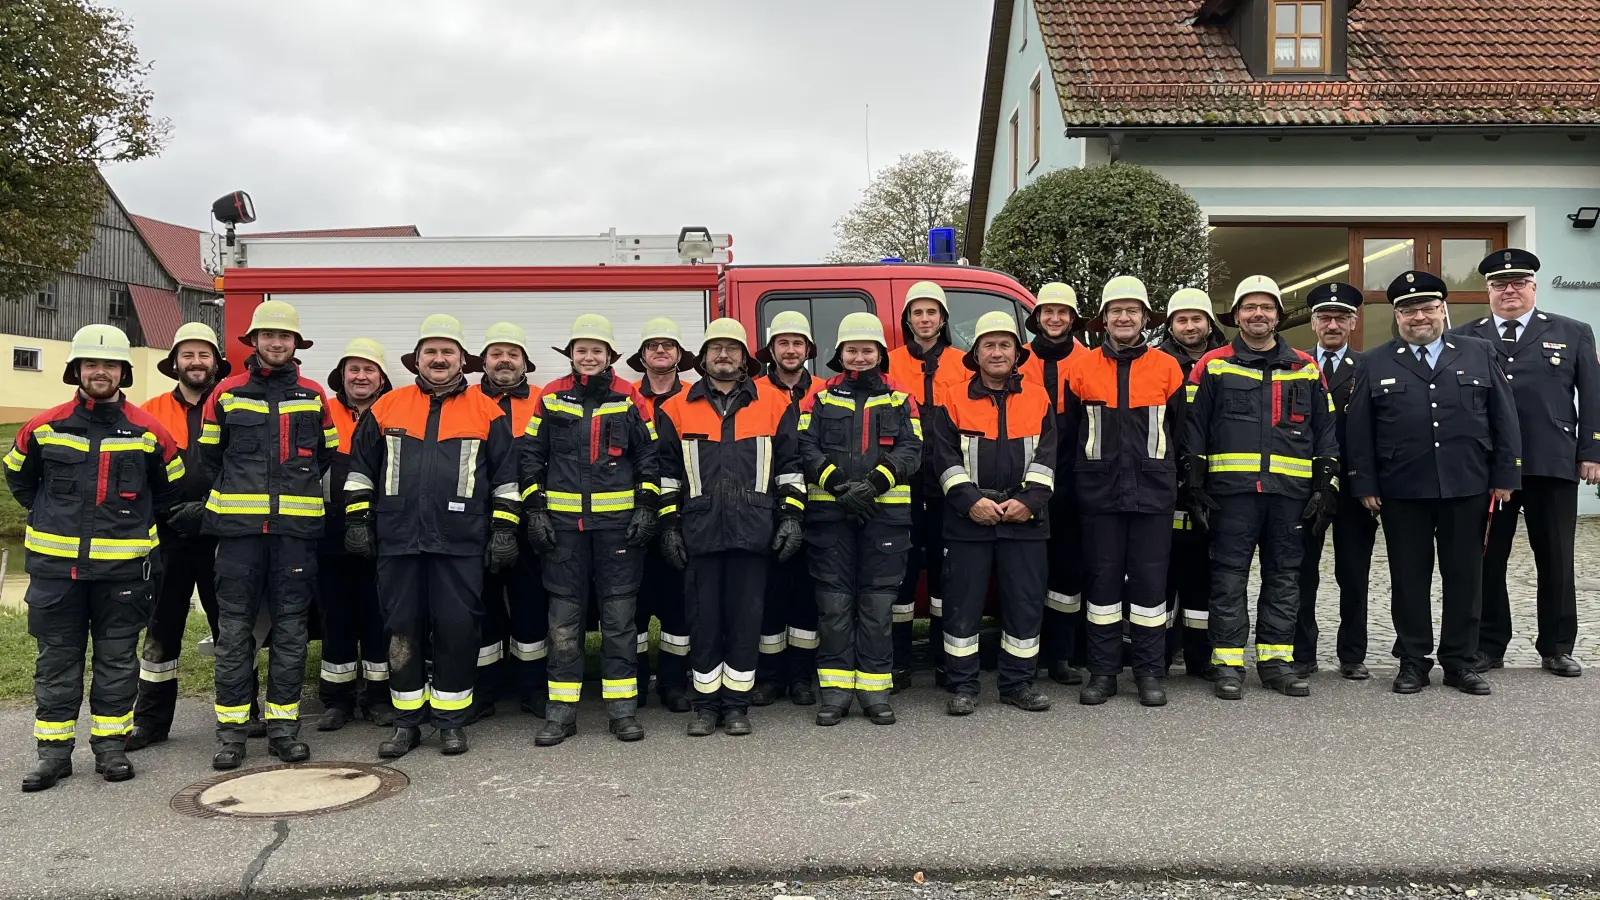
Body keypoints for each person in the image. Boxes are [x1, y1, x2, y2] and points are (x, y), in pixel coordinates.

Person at [5, 325, 182, 792]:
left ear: (123, 371)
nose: (100, 372)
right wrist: (52, 515)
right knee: (56, 662)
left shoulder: (148, 431)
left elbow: (170, 489)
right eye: (91, 364)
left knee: (117, 662)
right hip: (56, 572)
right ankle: (53, 755)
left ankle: (110, 748)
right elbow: (18, 479)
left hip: (122, 572)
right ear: (77, 370)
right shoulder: (44, 427)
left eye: (109, 365)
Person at [344, 316, 520, 757]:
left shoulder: (487, 410)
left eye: (448, 352)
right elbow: (360, 471)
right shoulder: (386, 407)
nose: (439, 359)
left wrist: (504, 529)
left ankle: (451, 720)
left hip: (461, 542)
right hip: (399, 539)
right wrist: (357, 521)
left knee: (457, 630)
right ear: (416, 360)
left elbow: (505, 481)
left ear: (463, 359)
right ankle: (407, 723)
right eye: (430, 352)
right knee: (401, 630)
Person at [1347, 271, 1520, 694]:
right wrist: (1364, 484)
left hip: (1468, 484)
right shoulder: (1374, 361)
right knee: (1409, 577)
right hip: (1402, 488)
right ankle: (1413, 660)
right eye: (1408, 310)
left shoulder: (1480, 352)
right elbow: (1359, 431)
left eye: (1427, 308)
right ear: (1397, 315)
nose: (1418, 317)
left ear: (1443, 309)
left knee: (1465, 576)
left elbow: (1504, 417)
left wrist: (1505, 475)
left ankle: (1460, 661)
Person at [1181, 276, 1337, 700]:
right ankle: (1228, 662)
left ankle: (1275, 662)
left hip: (1291, 495)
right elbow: (1193, 430)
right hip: (1232, 494)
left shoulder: (1305, 366)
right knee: (1229, 578)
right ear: (1236, 315)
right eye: (1249, 307)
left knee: (1285, 577)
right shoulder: (1213, 364)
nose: (1258, 314)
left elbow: (1326, 431)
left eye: (1266, 307)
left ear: (1278, 316)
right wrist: (1194, 484)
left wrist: (1325, 485)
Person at [200, 300, 338, 769]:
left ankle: (283, 729)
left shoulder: (314, 396)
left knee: (291, 633)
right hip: (238, 535)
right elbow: (210, 458)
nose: (276, 343)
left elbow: (325, 457)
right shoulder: (227, 393)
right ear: (253, 341)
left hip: (295, 534)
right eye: (268, 336)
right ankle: (232, 734)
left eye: (285, 337)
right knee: (235, 633)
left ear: (295, 344)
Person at [1450, 249, 1600, 678]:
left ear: (1534, 287)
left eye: (1518, 283)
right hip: (1489, 468)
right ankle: (1490, 644)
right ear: (1488, 291)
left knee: (1556, 558)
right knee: (1487, 559)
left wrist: (1592, 450)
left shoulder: (1572, 332)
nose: (1509, 290)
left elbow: (1592, 395)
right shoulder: (1465, 337)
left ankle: (1557, 647)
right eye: (1499, 284)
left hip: (1550, 461)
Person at [654, 318, 804, 736]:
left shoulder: (775, 404)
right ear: (702, 359)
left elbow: (790, 470)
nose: (724, 355)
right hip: (699, 532)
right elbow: (666, 476)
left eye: (732, 349)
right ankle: (706, 706)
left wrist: (791, 517)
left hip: (754, 530)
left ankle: (736, 705)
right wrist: (668, 526)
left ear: (745, 358)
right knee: (703, 621)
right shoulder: (675, 408)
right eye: (716, 349)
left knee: (744, 620)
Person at [522, 314, 660, 746]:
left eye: (596, 350)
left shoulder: (629, 398)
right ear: (571, 355)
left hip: (619, 531)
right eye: (581, 349)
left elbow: (649, 458)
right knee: (563, 621)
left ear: (609, 356)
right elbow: (530, 456)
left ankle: (622, 711)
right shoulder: (551, 397)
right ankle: (561, 713)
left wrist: (648, 505)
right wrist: (535, 510)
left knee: (619, 621)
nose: (588, 357)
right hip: (564, 530)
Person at [1062, 278, 1187, 707]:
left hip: (1154, 492)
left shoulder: (1168, 367)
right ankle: (1103, 672)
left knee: (1151, 586)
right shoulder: (1082, 367)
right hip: (1099, 492)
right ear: (1104, 320)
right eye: (1116, 310)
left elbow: (1181, 433)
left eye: (1132, 310)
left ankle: (1150, 673)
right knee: (1102, 584)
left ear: (1145, 318)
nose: (1124, 317)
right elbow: (1068, 436)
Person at [797, 313, 922, 726]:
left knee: (876, 607)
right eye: (853, 350)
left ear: (880, 355)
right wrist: (838, 486)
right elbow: (805, 446)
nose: (860, 356)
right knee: (833, 607)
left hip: (885, 519)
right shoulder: (819, 398)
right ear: (840, 355)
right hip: (831, 518)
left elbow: (912, 449)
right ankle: (834, 694)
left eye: (867, 350)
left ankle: (874, 692)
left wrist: (874, 484)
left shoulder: (901, 398)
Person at [930, 311, 1055, 715]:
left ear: (1018, 354)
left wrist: (1029, 502)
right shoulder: (952, 396)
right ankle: (962, 686)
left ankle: (1018, 684)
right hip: (969, 519)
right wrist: (970, 502)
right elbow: (943, 457)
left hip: (1025, 518)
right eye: (989, 345)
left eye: (1005, 345)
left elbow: (1048, 456)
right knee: (962, 605)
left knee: (1024, 603)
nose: (997, 352)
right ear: (976, 353)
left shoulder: (1038, 396)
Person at [128, 322, 233, 750]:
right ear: (174, 363)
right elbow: (138, 473)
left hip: (220, 533)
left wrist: (210, 509)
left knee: (231, 628)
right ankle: (150, 723)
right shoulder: (150, 411)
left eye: (203, 355)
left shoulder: (232, 405)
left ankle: (244, 712)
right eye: (187, 355)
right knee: (161, 629)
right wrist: (165, 513)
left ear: (216, 363)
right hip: (167, 537)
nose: (195, 362)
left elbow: (242, 468)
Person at [1293, 283, 1380, 681]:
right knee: (1301, 573)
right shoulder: (1295, 365)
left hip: (1353, 487)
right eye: (1325, 318)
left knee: (1353, 573)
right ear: (1312, 323)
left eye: (1341, 318)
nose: (1332, 325)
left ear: (1353, 323)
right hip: (1303, 487)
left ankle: (1352, 654)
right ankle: (1302, 653)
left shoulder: (1370, 367)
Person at [885, 281, 967, 689]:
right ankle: (897, 662)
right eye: (917, 313)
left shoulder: (964, 363)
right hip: (901, 487)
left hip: (946, 487)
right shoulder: (890, 364)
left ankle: (944, 661)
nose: (924, 319)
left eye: (931, 312)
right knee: (899, 575)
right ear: (907, 320)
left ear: (943, 319)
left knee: (944, 577)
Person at [467, 323, 550, 720]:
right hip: (477, 522)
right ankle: (484, 690)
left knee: (531, 605)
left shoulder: (542, 400)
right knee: (480, 607)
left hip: (530, 523)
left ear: (524, 363)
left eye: (512, 354)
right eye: (496, 353)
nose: (504, 360)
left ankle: (532, 688)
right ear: (483, 361)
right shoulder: (462, 400)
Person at [314, 338, 394, 731]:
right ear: (341, 376)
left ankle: (379, 697)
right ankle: (337, 700)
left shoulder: (392, 412)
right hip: (330, 536)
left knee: (379, 617)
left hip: (380, 536)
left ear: (381, 378)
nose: (361, 377)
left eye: (369, 370)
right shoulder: (321, 412)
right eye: (354, 370)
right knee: (336, 618)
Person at [752, 310, 826, 706]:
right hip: (769, 508)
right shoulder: (753, 391)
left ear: (808, 349)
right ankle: (768, 677)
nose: (791, 350)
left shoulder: (827, 392)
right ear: (771, 349)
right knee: (771, 596)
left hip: (818, 509)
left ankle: (800, 677)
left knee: (806, 598)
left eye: (798, 343)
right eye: (783, 342)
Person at [1018, 283, 1088, 687]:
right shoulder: (1018, 359)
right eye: (1048, 312)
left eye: (1063, 312)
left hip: (1072, 482)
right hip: (1024, 480)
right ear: (1037, 316)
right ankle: (1024, 654)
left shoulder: (1088, 360)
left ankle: (1061, 656)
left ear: (1073, 317)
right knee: (1026, 574)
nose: (1055, 319)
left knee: (1066, 574)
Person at [1156, 288, 1227, 680]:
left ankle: (1201, 656)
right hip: (1167, 479)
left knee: (1205, 575)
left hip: (1216, 481)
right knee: (1163, 572)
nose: (1189, 326)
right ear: (1170, 325)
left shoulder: (1227, 362)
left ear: (1208, 323)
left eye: (1196, 319)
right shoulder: (1156, 362)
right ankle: (1160, 654)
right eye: (1181, 320)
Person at [629, 317, 695, 711]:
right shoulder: (623, 398)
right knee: (633, 606)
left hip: (681, 515)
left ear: (678, 355)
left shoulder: (694, 397)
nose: (660, 351)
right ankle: (634, 682)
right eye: (652, 345)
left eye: (667, 345)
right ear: (642, 356)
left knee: (677, 605)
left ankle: (672, 683)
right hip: (633, 516)